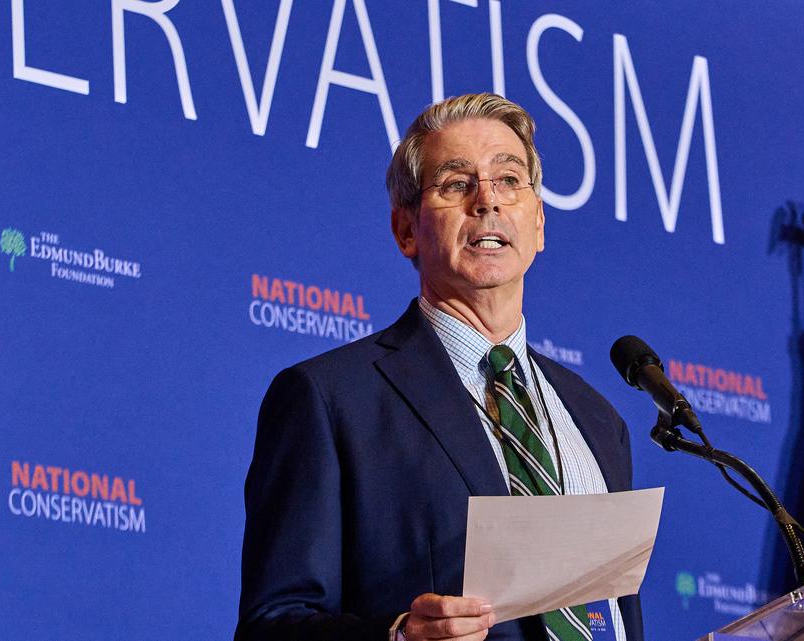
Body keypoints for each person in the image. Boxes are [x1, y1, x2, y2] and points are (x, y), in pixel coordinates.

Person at [235, 93, 644, 641]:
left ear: (539, 224)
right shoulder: (331, 400)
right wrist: (401, 636)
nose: (487, 202)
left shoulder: (598, 422)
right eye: (456, 184)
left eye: (509, 180)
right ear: (406, 230)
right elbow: (272, 626)